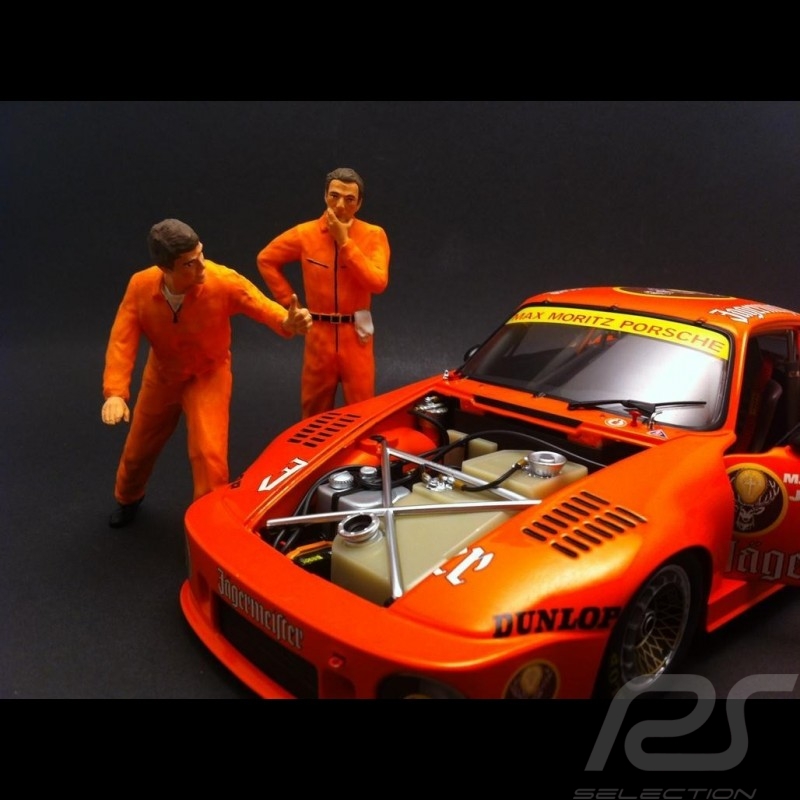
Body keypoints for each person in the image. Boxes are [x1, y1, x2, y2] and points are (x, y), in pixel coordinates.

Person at [101, 218, 312, 528]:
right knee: (138, 449)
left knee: (209, 455)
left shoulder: (221, 281)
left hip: (208, 375)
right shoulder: (140, 287)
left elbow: (259, 304)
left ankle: (210, 523)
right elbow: (122, 339)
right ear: (165, 268)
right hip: (162, 377)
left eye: (201, 254)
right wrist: (116, 392)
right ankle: (127, 498)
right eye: (189, 263)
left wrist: (286, 322)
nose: (201, 266)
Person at [256, 167, 390, 419]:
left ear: (359, 203)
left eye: (349, 199)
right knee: (313, 411)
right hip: (318, 335)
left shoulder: (373, 235)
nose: (340, 205)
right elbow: (266, 259)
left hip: (356, 335)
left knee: (362, 411)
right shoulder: (305, 234)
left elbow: (378, 282)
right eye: (334, 196)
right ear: (325, 196)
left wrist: (345, 243)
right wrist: (290, 304)